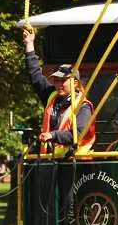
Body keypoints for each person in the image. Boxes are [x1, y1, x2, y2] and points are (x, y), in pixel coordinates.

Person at [22, 25, 96, 156]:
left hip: (75, 164)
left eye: (63, 80)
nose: (58, 84)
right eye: (56, 80)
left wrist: (52, 135)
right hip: (51, 160)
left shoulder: (83, 106)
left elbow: (77, 134)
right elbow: (35, 75)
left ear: (74, 83)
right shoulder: (52, 96)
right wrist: (29, 45)